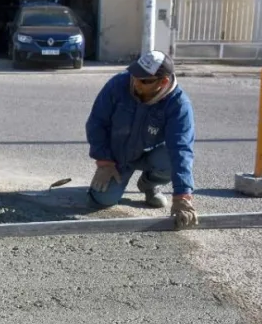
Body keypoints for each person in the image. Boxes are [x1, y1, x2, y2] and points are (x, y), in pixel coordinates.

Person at [85, 49, 198, 228]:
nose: (136, 82)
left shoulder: (178, 104)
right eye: (135, 75)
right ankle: (111, 181)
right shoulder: (118, 85)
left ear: (163, 82)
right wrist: (104, 160)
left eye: (144, 81)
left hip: (151, 155)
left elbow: (181, 149)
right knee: (102, 200)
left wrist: (182, 196)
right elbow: (96, 123)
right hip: (118, 156)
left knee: (170, 159)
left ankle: (149, 184)